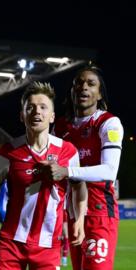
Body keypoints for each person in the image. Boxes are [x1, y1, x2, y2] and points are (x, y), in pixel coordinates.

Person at [0, 82, 87, 269]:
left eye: (43, 107)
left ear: (52, 116)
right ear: (22, 116)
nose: (36, 111)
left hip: (48, 245)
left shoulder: (68, 152)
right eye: (30, 107)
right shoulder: (8, 152)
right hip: (11, 243)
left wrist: (80, 219)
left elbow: (80, 187)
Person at [47, 66, 124, 270]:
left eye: (91, 84)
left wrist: (67, 171)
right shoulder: (60, 127)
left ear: (99, 93)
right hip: (71, 213)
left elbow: (110, 171)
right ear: (72, 91)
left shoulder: (109, 123)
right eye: (78, 83)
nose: (84, 87)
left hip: (99, 211)